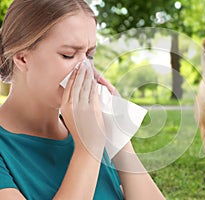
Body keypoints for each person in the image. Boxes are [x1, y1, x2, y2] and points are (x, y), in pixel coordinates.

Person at [0, 0, 165, 199]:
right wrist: (88, 148)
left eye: (89, 55)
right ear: (22, 59)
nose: (85, 69)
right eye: (68, 55)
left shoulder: (89, 126)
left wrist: (119, 138)